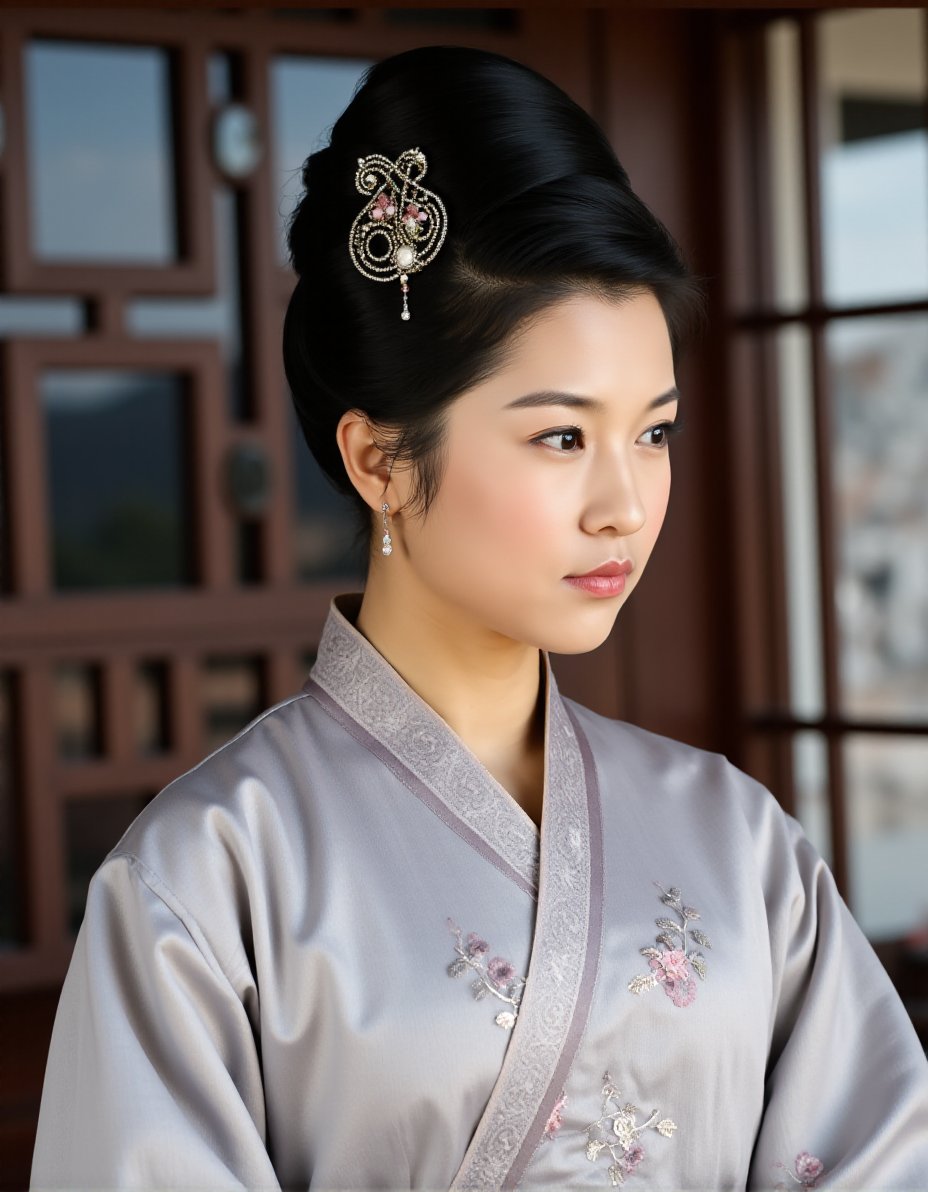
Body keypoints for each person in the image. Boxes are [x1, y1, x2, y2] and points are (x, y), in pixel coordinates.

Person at [31, 45, 928, 1192]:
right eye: (560, 435)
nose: (624, 505)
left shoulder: (738, 840)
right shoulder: (208, 877)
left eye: (652, 432)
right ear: (380, 460)